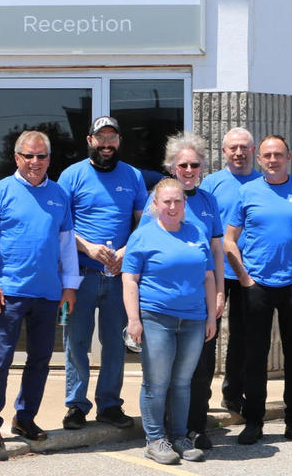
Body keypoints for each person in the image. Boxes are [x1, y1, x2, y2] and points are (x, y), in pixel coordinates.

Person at [0, 131, 81, 448]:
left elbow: (66, 247)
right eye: (29, 156)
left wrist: (70, 287)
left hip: (48, 294)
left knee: (40, 360)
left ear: (49, 159)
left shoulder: (59, 195)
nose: (35, 162)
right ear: (17, 157)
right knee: (0, 360)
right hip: (9, 294)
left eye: (42, 156)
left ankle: (25, 419)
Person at [224, 134, 292, 446]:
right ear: (260, 159)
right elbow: (230, 238)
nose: (273, 160)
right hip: (256, 286)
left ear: (289, 157)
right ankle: (254, 421)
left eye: (279, 155)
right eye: (268, 155)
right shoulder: (247, 192)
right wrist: (244, 277)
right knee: (254, 356)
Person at [57, 116, 148, 430]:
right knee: (76, 343)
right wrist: (88, 248)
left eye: (112, 138)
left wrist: (126, 251)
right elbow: (62, 225)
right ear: (89, 140)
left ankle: (109, 405)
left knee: (114, 344)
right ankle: (76, 406)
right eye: (101, 138)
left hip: (118, 278)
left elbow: (143, 223)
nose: (106, 144)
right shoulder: (71, 176)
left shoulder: (133, 176)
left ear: (119, 141)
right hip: (80, 276)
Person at [140, 132, 226, 450]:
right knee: (162, 371)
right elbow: (142, 253)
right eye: (182, 165)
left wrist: (218, 293)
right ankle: (159, 432)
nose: (188, 170)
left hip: (201, 298)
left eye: (194, 164)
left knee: (199, 367)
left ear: (202, 167)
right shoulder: (160, 200)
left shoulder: (208, 201)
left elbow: (216, 251)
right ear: (171, 167)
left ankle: (194, 427)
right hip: (162, 304)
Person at [123, 178, 218, 465]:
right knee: (156, 382)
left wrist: (211, 315)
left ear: (185, 203)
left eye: (178, 201)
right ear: (155, 204)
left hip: (193, 319)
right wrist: (134, 320)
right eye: (167, 201)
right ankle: (155, 439)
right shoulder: (142, 236)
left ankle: (179, 436)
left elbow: (209, 276)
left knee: (182, 382)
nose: (173, 206)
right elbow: (130, 279)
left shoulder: (197, 230)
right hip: (156, 318)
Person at [200, 127, 262, 418]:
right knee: (208, 333)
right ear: (223, 152)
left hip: (250, 272)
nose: (239, 153)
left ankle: (234, 393)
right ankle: (201, 395)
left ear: (253, 151)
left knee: (244, 335)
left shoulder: (264, 182)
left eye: (244, 147)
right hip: (216, 271)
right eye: (233, 148)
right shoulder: (211, 184)